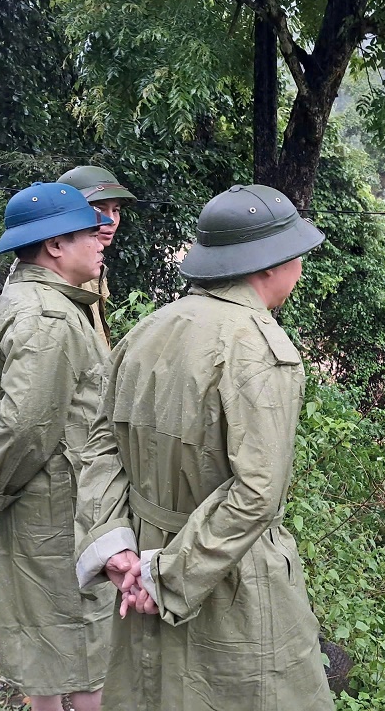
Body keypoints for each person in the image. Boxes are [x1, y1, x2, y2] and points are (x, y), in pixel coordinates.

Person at [75, 184, 334, 711]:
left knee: (158, 691)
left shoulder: (145, 332)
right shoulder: (261, 350)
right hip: (227, 574)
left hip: (146, 552)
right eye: (298, 255)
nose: (302, 267)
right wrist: (165, 579)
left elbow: (100, 445)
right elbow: (256, 493)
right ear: (268, 264)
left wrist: (117, 547)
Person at [0, 183, 118, 711]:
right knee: (85, 649)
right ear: (55, 246)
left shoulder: (29, 300)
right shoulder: (48, 318)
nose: (101, 241)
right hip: (58, 506)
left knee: (47, 644)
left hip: (42, 501)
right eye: (89, 233)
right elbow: (26, 426)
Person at [57, 165, 137, 348]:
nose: (111, 220)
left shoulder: (92, 263)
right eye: (99, 209)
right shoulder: (56, 266)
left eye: (116, 210)